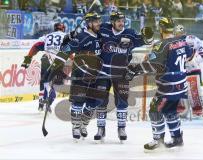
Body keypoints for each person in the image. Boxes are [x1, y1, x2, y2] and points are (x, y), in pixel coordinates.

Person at [125, 17, 192, 150]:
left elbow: (152, 65)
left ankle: (158, 140)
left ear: (161, 29)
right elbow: (190, 54)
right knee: (170, 111)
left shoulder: (162, 44)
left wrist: (134, 70)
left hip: (168, 86)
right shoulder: (182, 41)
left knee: (155, 110)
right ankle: (177, 138)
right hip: (181, 84)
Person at [94, 11, 154, 142]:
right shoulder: (103, 29)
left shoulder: (130, 33)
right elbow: (91, 32)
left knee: (122, 102)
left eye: (123, 21)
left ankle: (121, 128)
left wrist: (148, 35)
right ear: (112, 22)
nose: (122, 23)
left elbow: (146, 41)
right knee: (101, 101)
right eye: (119, 21)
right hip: (103, 73)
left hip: (121, 74)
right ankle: (100, 128)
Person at [46, 12, 103, 140]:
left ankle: (83, 123)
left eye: (99, 21)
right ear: (89, 24)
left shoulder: (100, 36)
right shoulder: (81, 37)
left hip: (95, 75)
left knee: (93, 103)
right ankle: (76, 126)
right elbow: (65, 50)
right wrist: (56, 67)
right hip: (80, 74)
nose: (99, 23)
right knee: (78, 102)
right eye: (96, 21)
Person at [21, 22, 66, 111]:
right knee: (55, 84)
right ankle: (48, 102)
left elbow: (36, 46)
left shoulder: (47, 36)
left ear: (54, 29)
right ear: (63, 29)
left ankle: (41, 102)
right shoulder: (66, 36)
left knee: (44, 81)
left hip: (46, 59)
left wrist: (28, 59)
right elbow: (70, 52)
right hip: (57, 61)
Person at [174, 24, 203, 117]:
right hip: (179, 70)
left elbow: (201, 49)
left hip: (193, 69)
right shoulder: (172, 42)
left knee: (194, 90)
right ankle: (181, 108)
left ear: (185, 32)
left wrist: (197, 59)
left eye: (181, 33)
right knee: (178, 89)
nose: (179, 35)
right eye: (177, 33)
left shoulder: (192, 39)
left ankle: (198, 109)